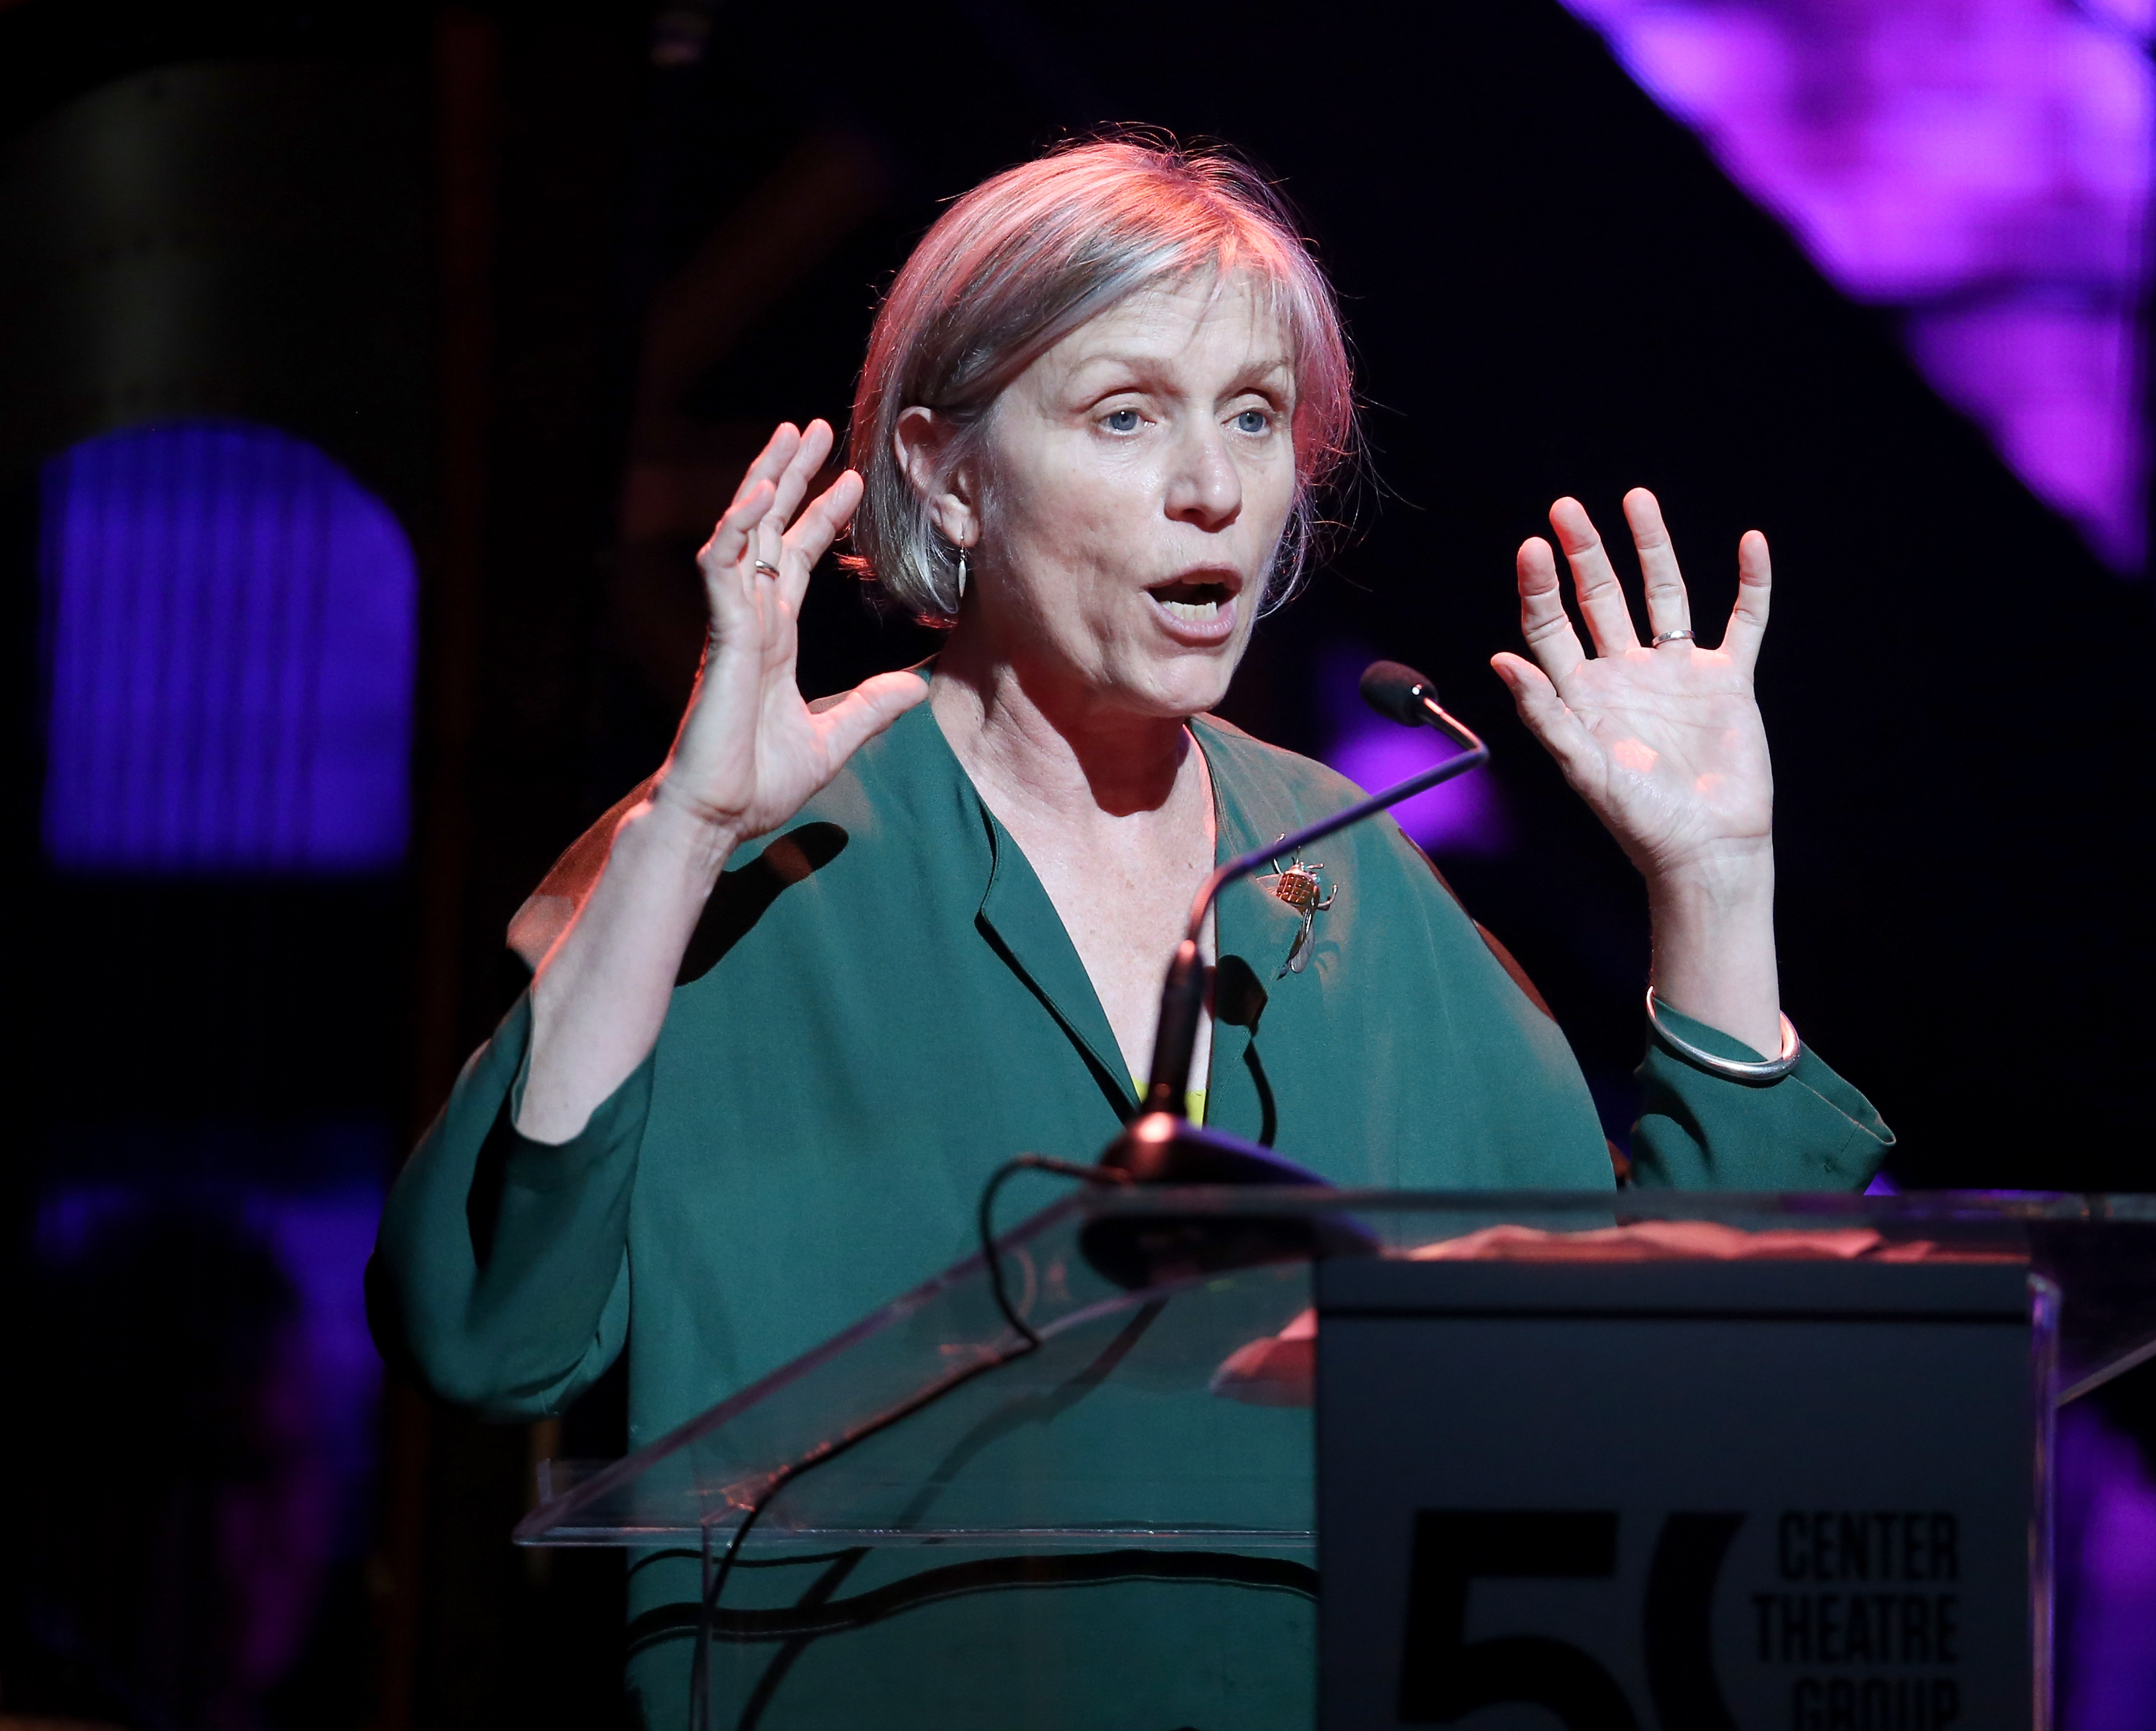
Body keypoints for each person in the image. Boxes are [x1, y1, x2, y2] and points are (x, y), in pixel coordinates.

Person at [370, 136, 1893, 1729]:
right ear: (948, 472)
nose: (1212, 487)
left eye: (1253, 415)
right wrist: (685, 835)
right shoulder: (759, 851)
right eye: (1125, 414)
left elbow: (1661, 1375)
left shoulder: (1344, 873)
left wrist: (1715, 883)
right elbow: (487, 1333)